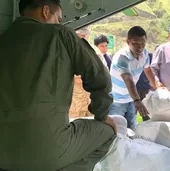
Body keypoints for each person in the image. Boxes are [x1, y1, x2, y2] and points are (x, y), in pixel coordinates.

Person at [0, 0, 116, 170]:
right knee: (109, 133)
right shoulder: (60, 34)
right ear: (46, 11)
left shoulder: (3, 39)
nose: (59, 23)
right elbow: (100, 78)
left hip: (3, 152)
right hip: (49, 149)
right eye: (59, 19)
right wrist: (102, 115)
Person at [109, 26, 157, 130]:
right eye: (135, 43)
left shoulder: (144, 54)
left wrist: (156, 86)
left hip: (130, 99)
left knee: (132, 130)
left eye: (142, 43)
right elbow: (128, 79)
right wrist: (137, 100)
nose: (139, 47)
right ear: (128, 42)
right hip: (116, 100)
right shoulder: (122, 58)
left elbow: (147, 70)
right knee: (116, 131)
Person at [69, 27, 93, 118]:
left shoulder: (93, 53)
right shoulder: (68, 53)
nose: (83, 39)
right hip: (75, 100)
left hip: (89, 98)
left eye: (85, 36)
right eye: (81, 36)